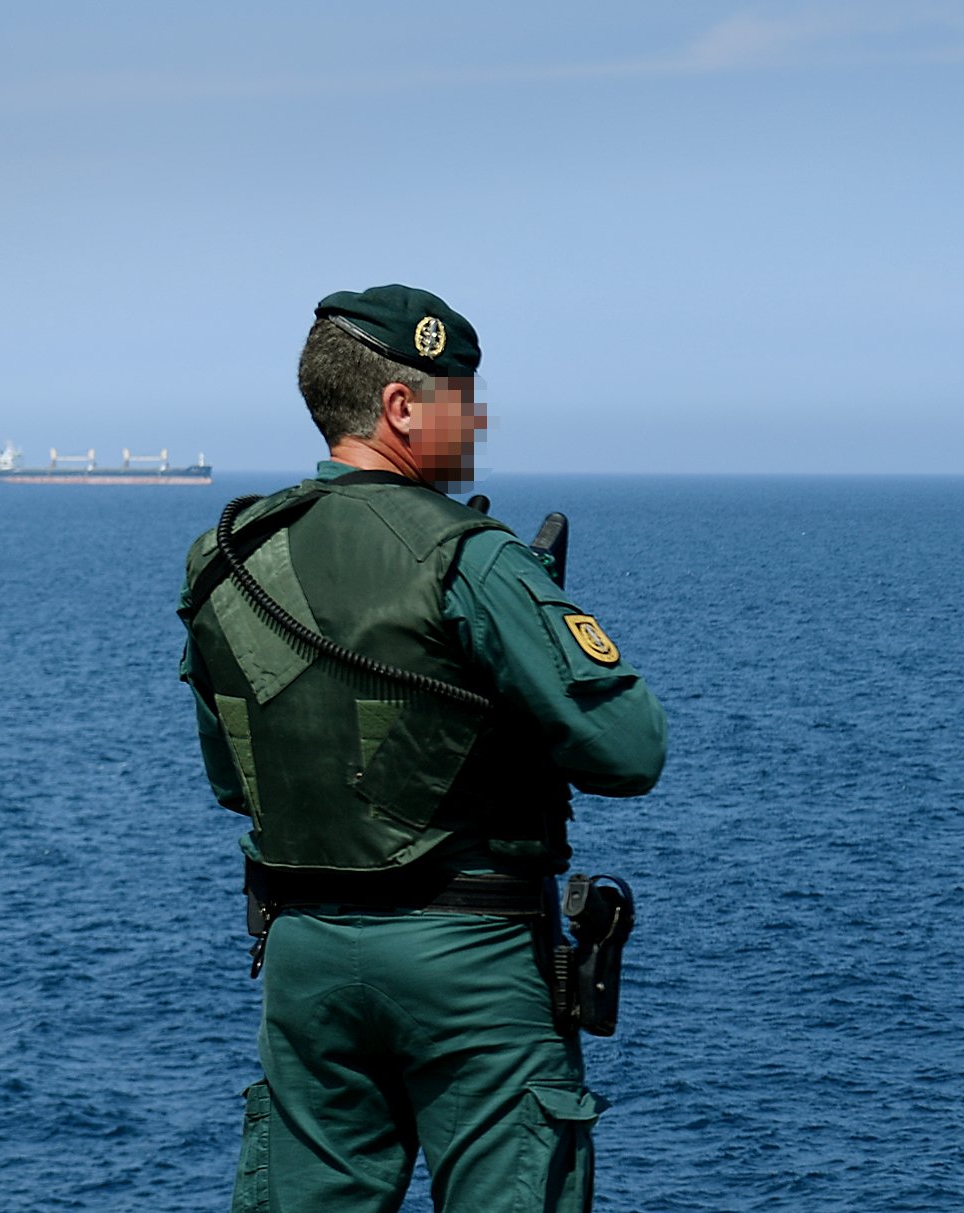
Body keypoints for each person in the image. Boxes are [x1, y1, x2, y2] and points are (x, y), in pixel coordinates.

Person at [177, 284, 668, 1212]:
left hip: (304, 957)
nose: (477, 419)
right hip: (470, 959)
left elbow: (234, 782)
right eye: (461, 397)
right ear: (401, 407)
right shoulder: (470, 556)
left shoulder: (228, 557)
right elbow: (631, 747)